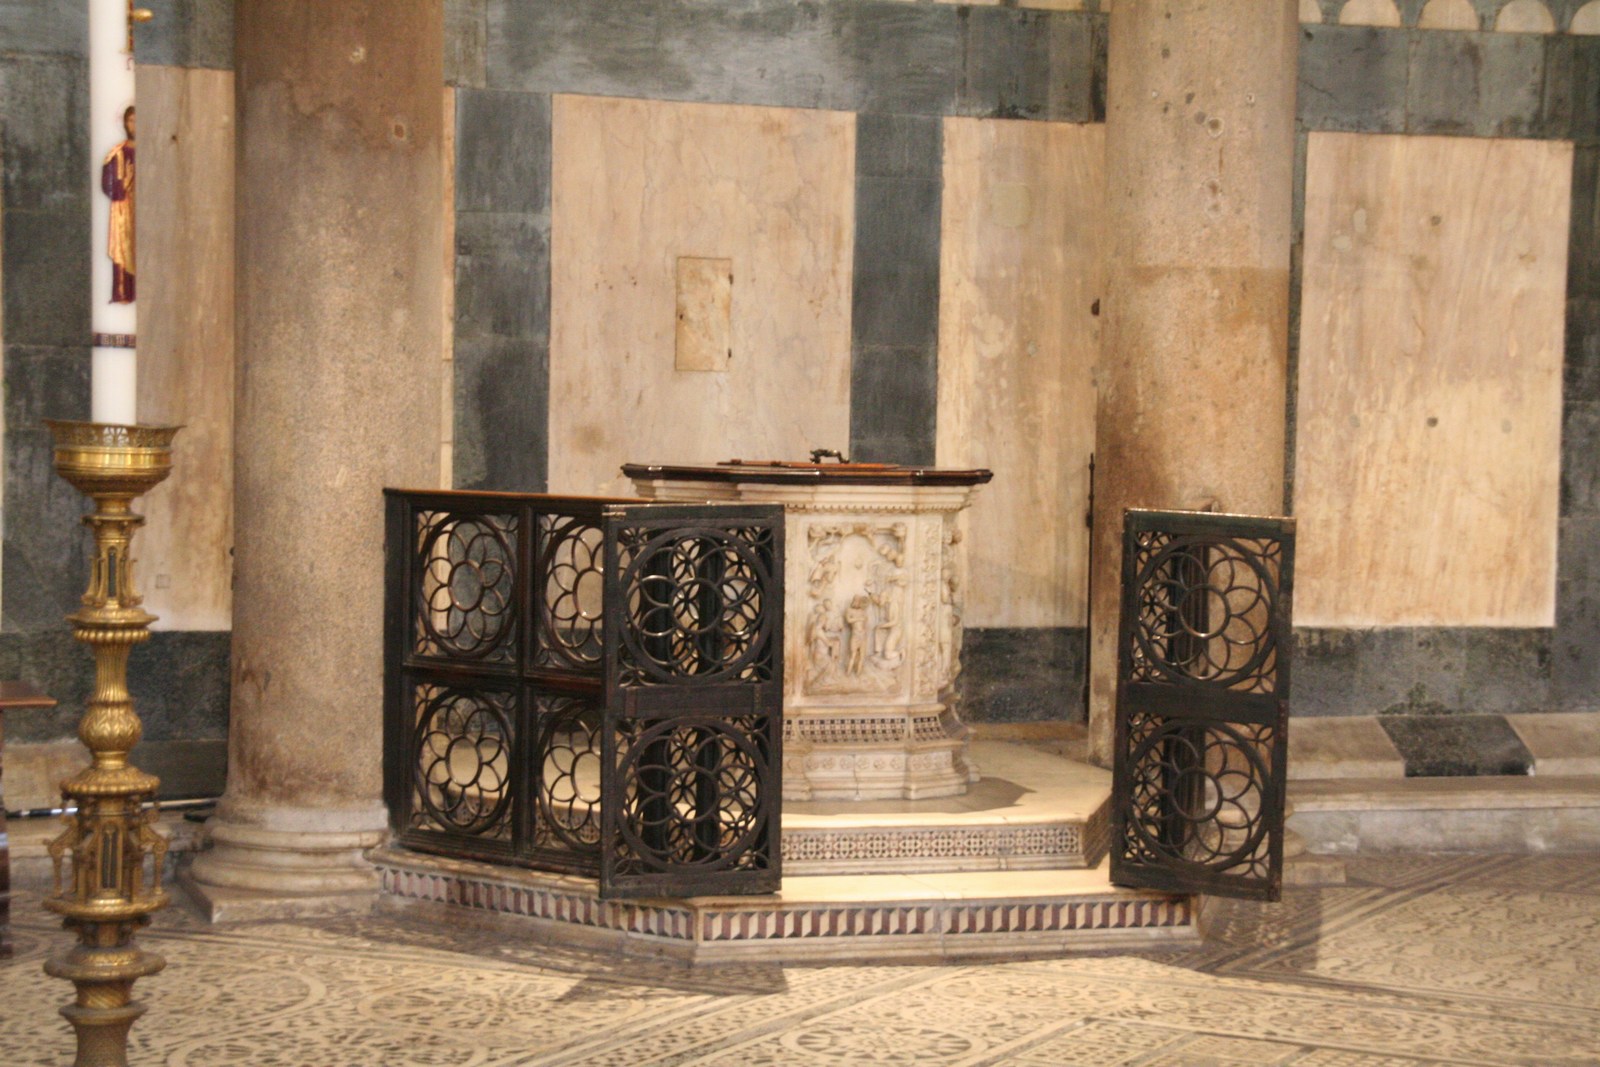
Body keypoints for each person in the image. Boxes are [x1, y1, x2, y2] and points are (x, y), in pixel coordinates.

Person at [102, 105, 136, 303]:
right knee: (123, 249)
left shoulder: (151, 152)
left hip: (144, 210)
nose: (134, 125)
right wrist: (120, 187)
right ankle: (123, 294)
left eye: (138, 121)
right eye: (131, 121)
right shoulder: (117, 153)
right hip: (123, 210)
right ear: (125, 123)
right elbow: (106, 183)